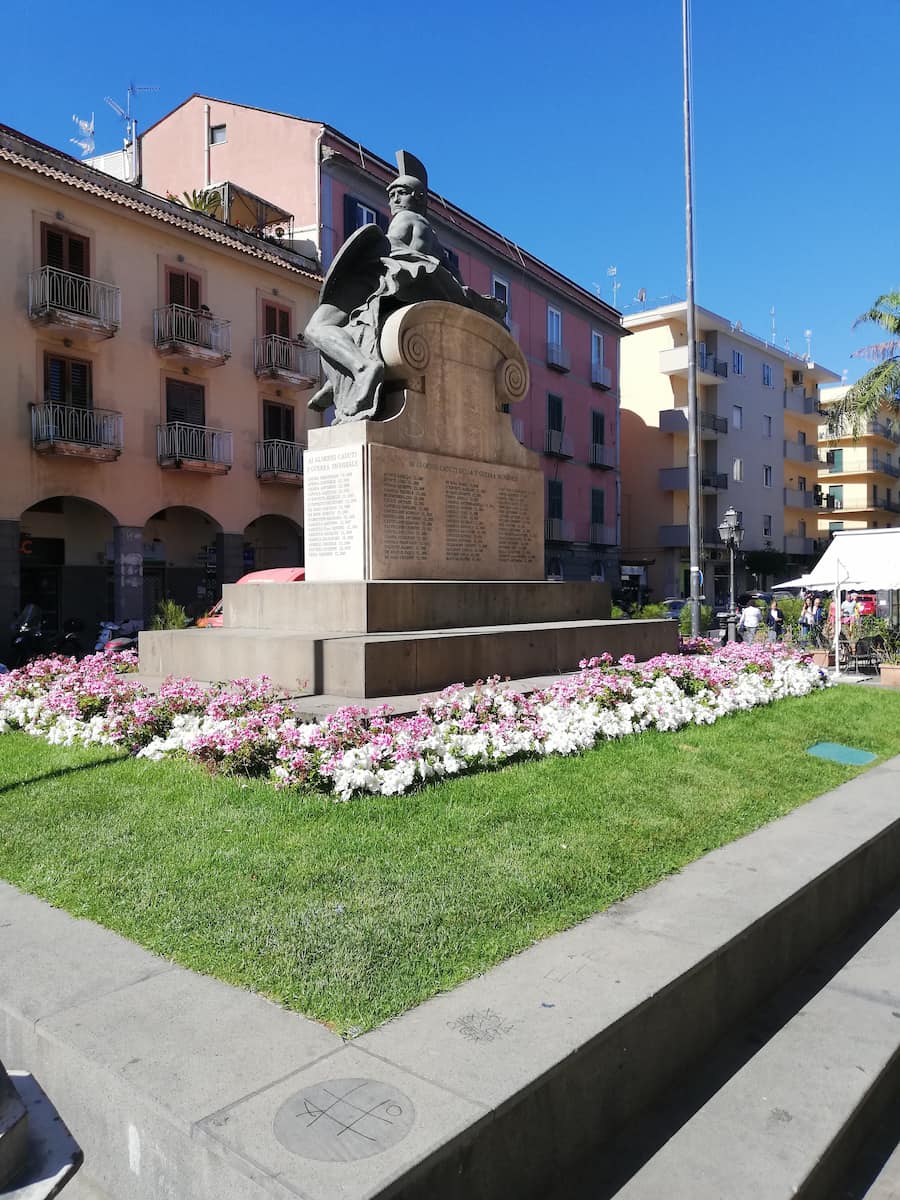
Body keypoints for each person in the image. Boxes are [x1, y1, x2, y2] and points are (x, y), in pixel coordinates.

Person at [305, 151, 505, 423]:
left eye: (401, 193)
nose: (394, 200)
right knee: (352, 326)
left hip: (381, 279)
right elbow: (453, 276)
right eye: (391, 195)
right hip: (401, 286)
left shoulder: (405, 220)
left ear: (419, 198)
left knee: (317, 327)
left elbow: (396, 251)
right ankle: (342, 376)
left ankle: (360, 367)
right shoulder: (430, 233)